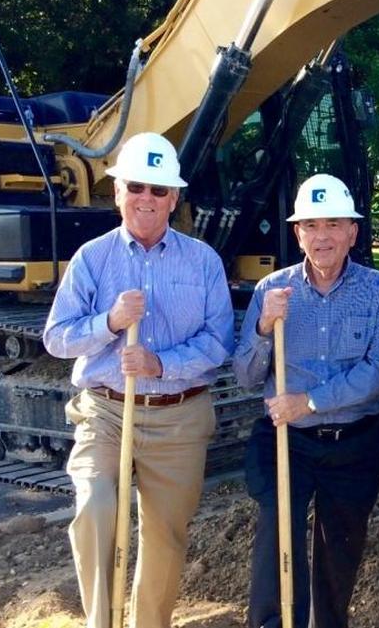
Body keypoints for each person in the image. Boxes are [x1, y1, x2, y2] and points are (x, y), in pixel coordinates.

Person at [43, 132, 234, 628]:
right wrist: (108, 321)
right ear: (118, 192)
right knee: (96, 509)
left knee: (165, 536)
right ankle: (101, 623)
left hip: (179, 415)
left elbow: (219, 344)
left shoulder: (203, 262)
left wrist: (159, 363)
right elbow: (57, 338)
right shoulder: (92, 259)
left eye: (158, 189)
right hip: (106, 411)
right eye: (136, 187)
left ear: (173, 198)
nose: (146, 198)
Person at [233, 173, 379, 628]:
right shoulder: (272, 290)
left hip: (354, 443)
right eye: (311, 225)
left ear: (352, 231)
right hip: (288, 442)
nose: (322, 235)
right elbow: (246, 376)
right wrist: (264, 330)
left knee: (339, 551)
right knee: (277, 537)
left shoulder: (377, 289)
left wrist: (307, 401)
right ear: (297, 233)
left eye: (333, 224)